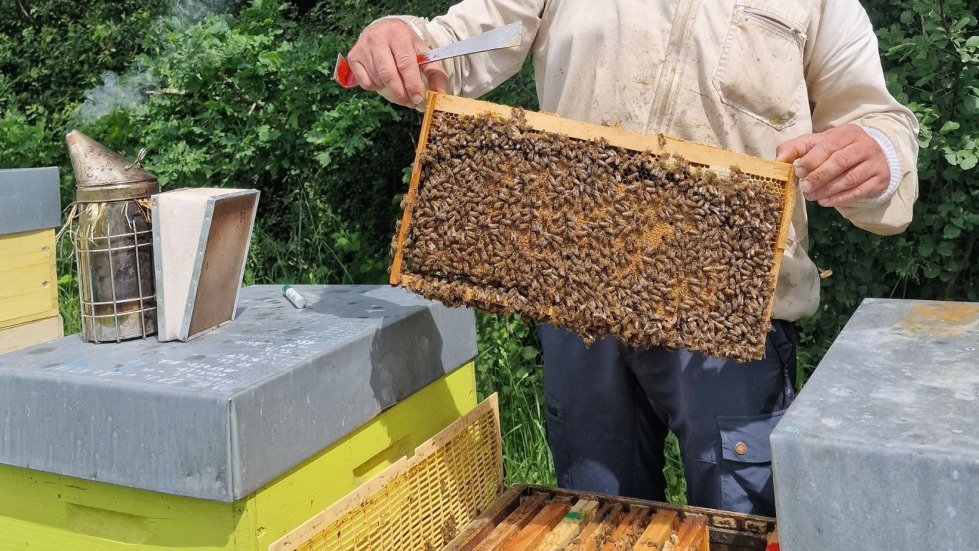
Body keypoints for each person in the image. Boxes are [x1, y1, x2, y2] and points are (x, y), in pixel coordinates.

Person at [344, 0, 918, 516]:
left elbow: (879, 119)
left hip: (729, 311)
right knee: (600, 520)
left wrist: (879, 152)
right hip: (580, 300)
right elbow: (461, 42)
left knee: (738, 526)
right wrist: (400, 36)